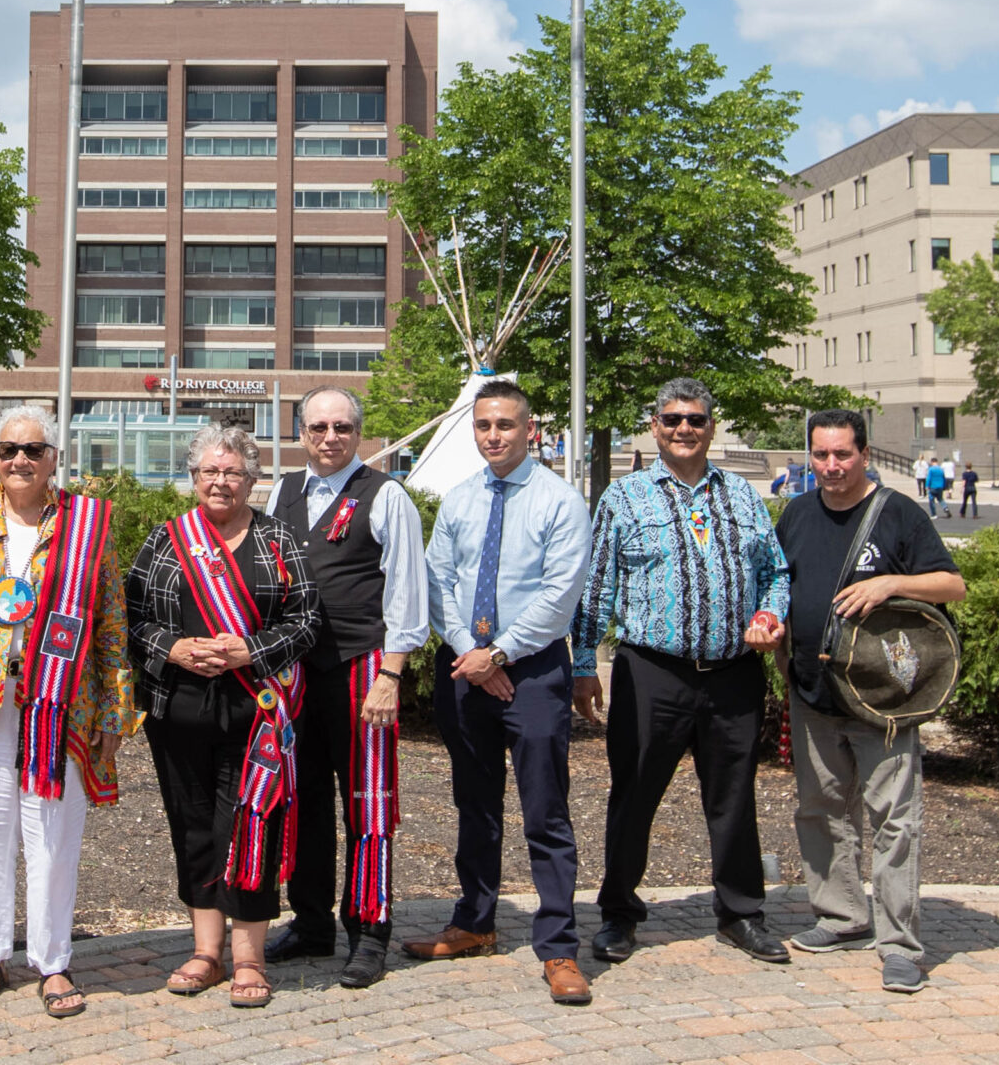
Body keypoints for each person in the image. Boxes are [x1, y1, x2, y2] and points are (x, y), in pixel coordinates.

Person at [573, 377, 792, 967]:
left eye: (695, 419)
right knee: (634, 796)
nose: (684, 429)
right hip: (652, 674)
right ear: (654, 427)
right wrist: (583, 666)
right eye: (672, 419)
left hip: (733, 675)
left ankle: (741, 914)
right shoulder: (624, 498)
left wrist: (769, 613)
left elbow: (775, 573)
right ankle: (619, 913)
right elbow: (596, 588)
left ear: (711, 427)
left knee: (734, 799)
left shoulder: (742, 495)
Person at [0, 405, 135, 1020]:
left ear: (54, 459)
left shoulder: (86, 526)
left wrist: (115, 710)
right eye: (8, 449)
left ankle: (53, 961)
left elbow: (112, 624)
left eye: (33, 450)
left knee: (52, 836)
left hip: (61, 704)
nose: (19, 460)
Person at [402, 384, 595, 1006]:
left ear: (529, 429)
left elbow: (560, 594)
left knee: (545, 810)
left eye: (506, 425)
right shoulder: (460, 499)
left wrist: (501, 654)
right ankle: (475, 922)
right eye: (484, 425)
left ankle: (559, 946)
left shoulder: (561, 501)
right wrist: (472, 654)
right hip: (466, 669)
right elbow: (437, 582)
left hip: (532, 673)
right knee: (475, 804)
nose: (493, 435)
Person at [125, 422, 319, 1011]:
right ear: (193, 478)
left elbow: (306, 621)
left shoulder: (279, 540)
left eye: (233, 472)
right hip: (178, 710)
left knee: (250, 825)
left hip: (256, 712)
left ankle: (249, 958)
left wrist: (249, 651)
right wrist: (175, 648)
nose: (220, 481)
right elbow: (131, 617)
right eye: (210, 471)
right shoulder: (166, 540)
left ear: (252, 481)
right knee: (193, 825)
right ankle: (206, 952)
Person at [776, 410, 966, 995]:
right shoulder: (797, 514)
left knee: (895, 822)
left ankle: (900, 946)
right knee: (821, 811)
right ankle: (842, 918)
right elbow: (779, 585)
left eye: (843, 454)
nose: (832, 466)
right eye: (821, 455)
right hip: (813, 693)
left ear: (864, 454)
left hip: (882, 703)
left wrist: (891, 583)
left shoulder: (898, 513)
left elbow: (952, 585)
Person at [260, 388, 430, 990]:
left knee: (368, 801)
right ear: (300, 433)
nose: (329, 437)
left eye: (341, 427)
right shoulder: (281, 492)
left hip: (364, 669)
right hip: (297, 675)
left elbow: (407, 590)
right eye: (318, 427)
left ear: (359, 434)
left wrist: (392, 674)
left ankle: (369, 929)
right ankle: (311, 923)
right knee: (301, 801)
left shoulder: (386, 495)